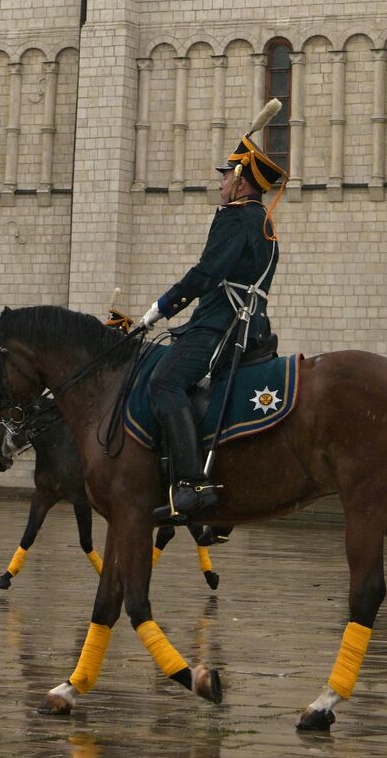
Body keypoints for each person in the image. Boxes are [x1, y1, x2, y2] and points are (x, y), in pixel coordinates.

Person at [140, 99, 285, 522]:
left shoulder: (233, 218)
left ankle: (192, 484)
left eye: (225, 177)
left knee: (164, 382)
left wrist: (162, 307)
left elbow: (206, 274)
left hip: (220, 326)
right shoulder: (264, 223)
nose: (220, 184)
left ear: (241, 181)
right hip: (251, 327)